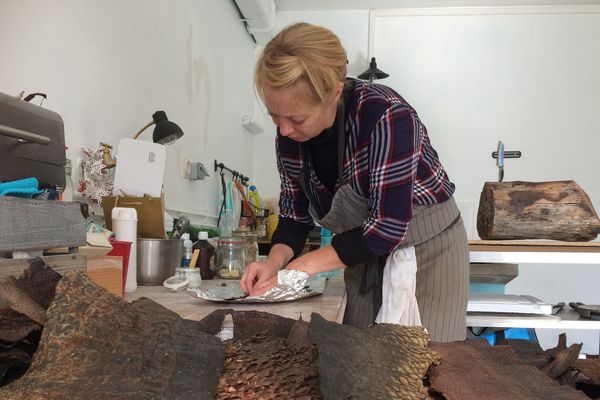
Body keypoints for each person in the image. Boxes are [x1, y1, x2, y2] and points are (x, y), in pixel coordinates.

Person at [240, 22, 469, 342]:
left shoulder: (387, 118)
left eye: (297, 118)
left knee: (426, 368)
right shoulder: (288, 136)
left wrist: (301, 268)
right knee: (359, 360)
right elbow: (294, 215)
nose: (284, 130)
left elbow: (387, 227)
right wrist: (273, 264)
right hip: (361, 250)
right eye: (274, 116)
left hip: (428, 250)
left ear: (334, 93)